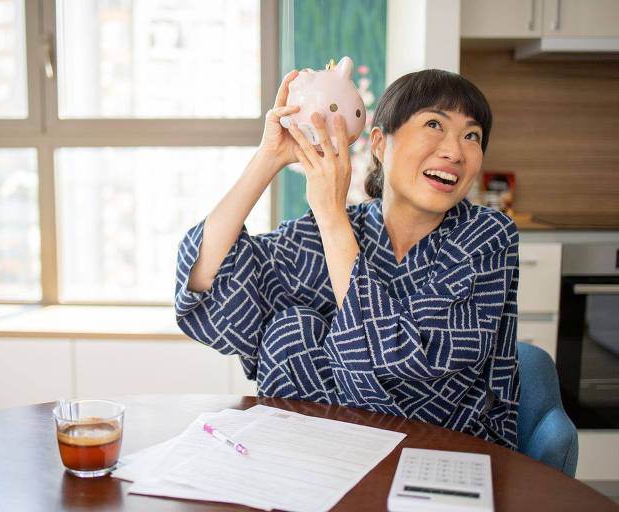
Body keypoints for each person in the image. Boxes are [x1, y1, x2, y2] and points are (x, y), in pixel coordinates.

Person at [174, 68, 520, 450]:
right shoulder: (331, 230)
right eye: (434, 124)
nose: (455, 151)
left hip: (437, 450)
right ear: (379, 144)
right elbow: (209, 282)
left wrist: (331, 215)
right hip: (315, 456)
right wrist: (269, 157)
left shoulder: (487, 235)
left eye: (471, 135)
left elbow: (411, 357)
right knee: (293, 330)